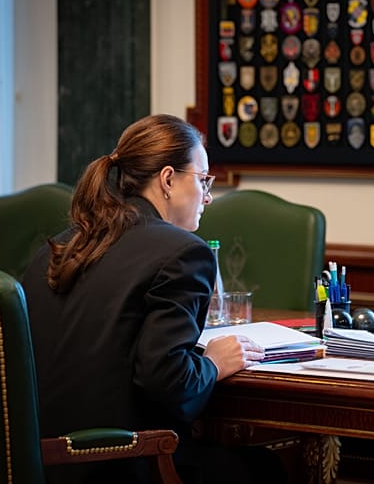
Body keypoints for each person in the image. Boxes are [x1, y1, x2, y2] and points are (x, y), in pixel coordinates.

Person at [22, 114, 285, 484]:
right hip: (119, 463)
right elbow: (170, 386)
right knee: (265, 469)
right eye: (204, 180)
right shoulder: (183, 253)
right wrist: (212, 362)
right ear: (167, 179)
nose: (208, 197)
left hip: (36, 462)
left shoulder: (60, 245)